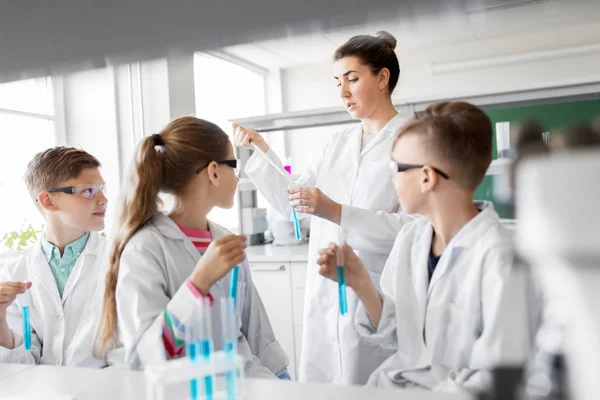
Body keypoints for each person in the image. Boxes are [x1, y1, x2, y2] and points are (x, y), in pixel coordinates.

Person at [235, 31, 414, 385]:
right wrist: (263, 151)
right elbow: (296, 206)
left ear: (382, 78)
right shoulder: (337, 143)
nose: (343, 92)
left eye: (352, 78)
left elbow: (412, 228)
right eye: (338, 82)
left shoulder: (411, 140)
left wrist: (335, 211)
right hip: (326, 292)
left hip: (376, 293)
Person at [317, 102, 533, 393]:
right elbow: (399, 338)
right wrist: (361, 284)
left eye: (397, 168)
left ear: (427, 177)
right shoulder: (412, 239)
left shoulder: (501, 256)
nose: (392, 179)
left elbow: (497, 377)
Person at [95, 117, 289, 379]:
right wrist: (197, 285)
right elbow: (146, 355)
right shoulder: (145, 248)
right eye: (234, 165)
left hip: (243, 385)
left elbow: (256, 331)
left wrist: (282, 379)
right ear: (214, 171)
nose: (238, 174)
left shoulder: (224, 239)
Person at [0, 147, 108, 367]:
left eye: (102, 189)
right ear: (48, 201)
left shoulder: (120, 260)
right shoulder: (15, 272)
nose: (103, 199)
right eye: (88, 191)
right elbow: (22, 362)